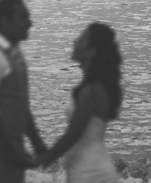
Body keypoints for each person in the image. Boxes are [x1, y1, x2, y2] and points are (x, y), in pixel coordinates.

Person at [0, 0, 47, 183]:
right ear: (5, 21)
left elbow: (20, 103)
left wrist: (36, 142)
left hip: (11, 142)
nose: (30, 23)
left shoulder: (14, 53)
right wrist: (12, 151)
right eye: (23, 18)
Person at [38, 22, 123, 183]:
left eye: (81, 39)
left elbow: (72, 136)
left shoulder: (91, 91)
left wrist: (39, 160)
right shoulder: (95, 88)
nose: (75, 41)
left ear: (91, 51)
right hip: (87, 170)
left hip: (91, 173)